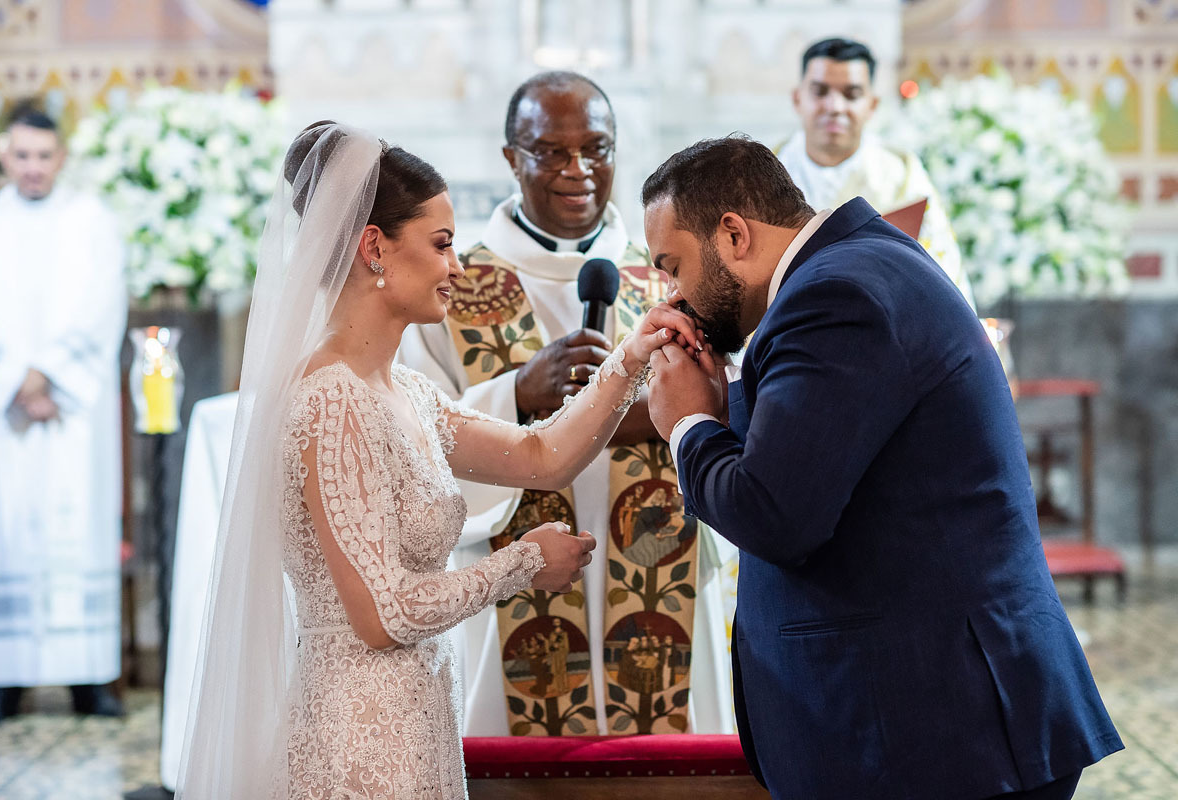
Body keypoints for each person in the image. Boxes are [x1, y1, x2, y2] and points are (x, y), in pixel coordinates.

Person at [177, 122, 699, 799]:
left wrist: (630, 358)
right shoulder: (333, 399)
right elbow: (381, 613)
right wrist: (522, 563)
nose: (457, 268)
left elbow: (541, 456)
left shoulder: (403, 391)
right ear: (374, 249)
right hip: (359, 736)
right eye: (442, 244)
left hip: (414, 716)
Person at [641, 135, 1123, 800]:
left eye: (674, 266)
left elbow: (776, 515)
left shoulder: (835, 298)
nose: (672, 293)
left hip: (939, 732)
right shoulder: (853, 270)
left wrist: (688, 423)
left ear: (733, 235)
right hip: (935, 720)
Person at [399, 70, 734, 738]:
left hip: (658, 568)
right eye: (551, 151)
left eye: (596, 148)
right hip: (515, 582)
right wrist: (515, 393)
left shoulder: (668, 273)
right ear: (511, 158)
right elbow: (409, 434)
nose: (577, 169)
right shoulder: (450, 286)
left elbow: (731, 398)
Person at [0, 103, 127, 724]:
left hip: (71, 409)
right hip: (5, 408)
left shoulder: (92, 220)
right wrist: (14, 380)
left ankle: (88, 679)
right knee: (7, 534)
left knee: (77, 526)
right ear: (4, 154)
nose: (33, 168)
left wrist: (48, 378)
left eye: (44, 156)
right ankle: (5, 683)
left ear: (60, 157)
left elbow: (101, 304)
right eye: (22, 156)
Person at [776, 37, 976, 310]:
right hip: (782, 336)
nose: (835, 107)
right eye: (820, 91)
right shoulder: (764, 174)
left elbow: (941, 276)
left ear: (872, 105)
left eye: (851, 94)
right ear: (798, 99)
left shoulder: (902, 176)